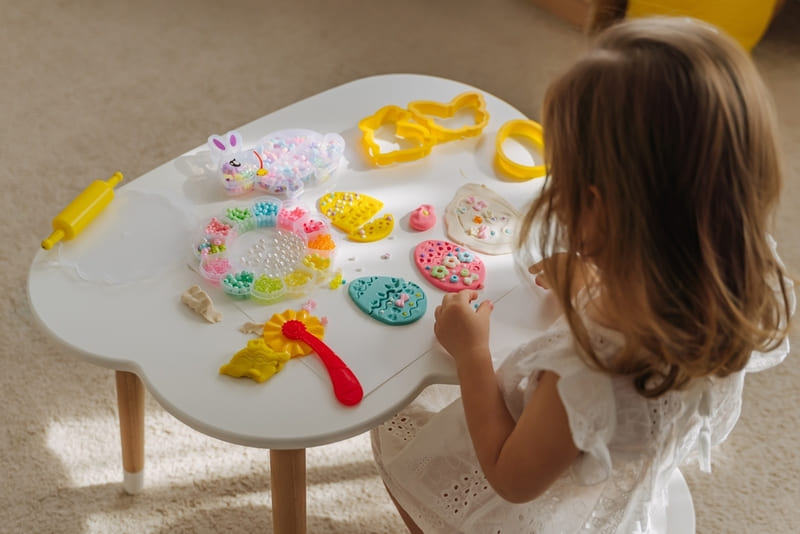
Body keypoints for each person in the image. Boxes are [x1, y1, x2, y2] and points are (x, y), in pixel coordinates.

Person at [371, 16, 796, 534]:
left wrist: (471, 352)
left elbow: (511, 477)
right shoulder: (746, 279)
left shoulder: (589, 375)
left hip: (527, 509)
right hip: (614, 465)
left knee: (406, 447)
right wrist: (598, 271)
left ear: (598, 208)